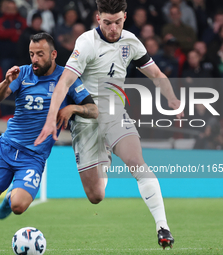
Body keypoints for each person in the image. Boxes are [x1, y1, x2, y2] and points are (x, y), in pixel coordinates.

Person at [35, 0, 184, 249]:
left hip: (115, 113)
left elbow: (157, 74)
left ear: (125, 17)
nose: (113, 28)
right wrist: (51, 119)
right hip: (85, 118)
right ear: (97, 18)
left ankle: (162, 226)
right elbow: (63, 83)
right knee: (96, 196)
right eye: (107, 22)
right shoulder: (86, 43)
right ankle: (103, 153)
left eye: (117, 22)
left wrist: (172, 99)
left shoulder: (131, 42)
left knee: (137, 162)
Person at [0, 32, 98, 255]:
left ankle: (13, 194)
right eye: (32, 54)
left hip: (32, 157)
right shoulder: (22, 74)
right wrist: (6, 82)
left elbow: (93, 110)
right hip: (6, 148)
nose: (34, 59)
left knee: (18, 207)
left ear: (53, 54)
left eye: (40, 54)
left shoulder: (67, 79)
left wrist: (72, 108)